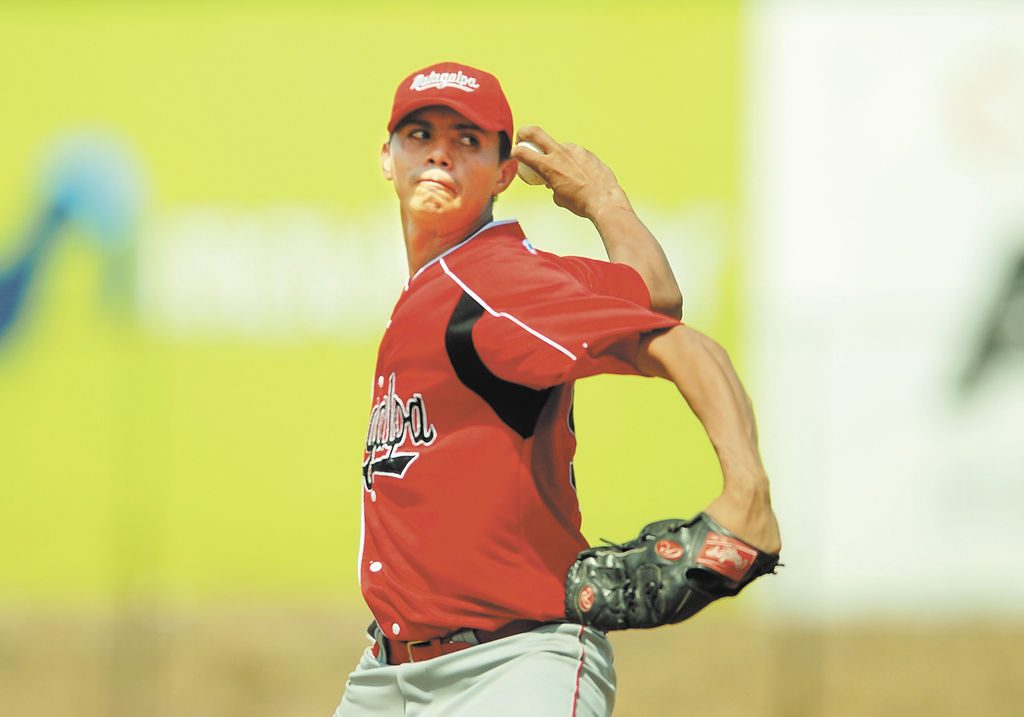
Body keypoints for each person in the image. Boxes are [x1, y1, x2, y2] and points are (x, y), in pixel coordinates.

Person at [334, 61, 780, 717]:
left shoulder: (496, 283)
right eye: (419, 133)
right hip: (388, 679)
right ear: (387, 156)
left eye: (468, 140)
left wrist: (747, 491)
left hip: (509, 669)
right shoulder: (466, 284)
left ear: (504, 173)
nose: (439, 152)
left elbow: (685, 342)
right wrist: (604, 201)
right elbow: (655, 291)